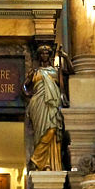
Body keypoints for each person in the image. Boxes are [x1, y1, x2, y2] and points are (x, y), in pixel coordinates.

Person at [23, 43, 73, 171]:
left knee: (52, 129)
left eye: (46, 53)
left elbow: (72, 72)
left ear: (49, 55)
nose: (44, 55)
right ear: (39, 56)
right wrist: (28, 94)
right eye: (42, 53)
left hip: (53, 103)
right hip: (38, 102)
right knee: (40, 132)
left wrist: (66, 57)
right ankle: (44, 163)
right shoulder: (34, 72)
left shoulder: (56, 71)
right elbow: (24, 86)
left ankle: (36, 159)